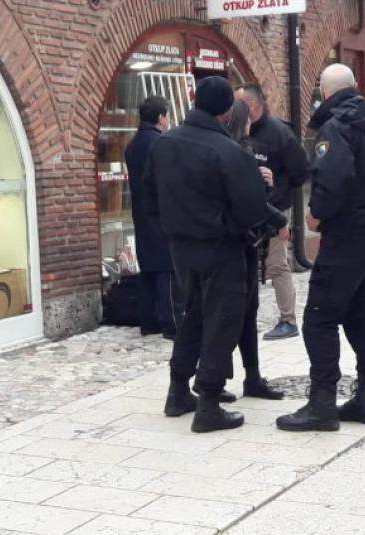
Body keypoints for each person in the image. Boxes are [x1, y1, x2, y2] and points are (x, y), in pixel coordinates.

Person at [276, 64, 365, 432]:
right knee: (363, 315)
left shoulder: (335, 127)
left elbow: (332, 180)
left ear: (324, 92)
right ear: (355, 86)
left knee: (320, 317)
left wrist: (316, 214)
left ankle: (322, 404)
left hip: (346, 235)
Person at [146, 76, 268, 433]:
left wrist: (171, 229)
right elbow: (251, 208)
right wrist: (235, 226)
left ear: (195, 100)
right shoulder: (228, 151)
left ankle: (178, 390)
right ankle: (209, 404)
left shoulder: (164, 144)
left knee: (195, 316)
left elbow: (149, 195)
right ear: (228, 109)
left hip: (180, 246)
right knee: (222, 320)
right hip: (220, 245)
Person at [223, 100, 288, 400]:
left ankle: (243, 378)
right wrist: (277, 213)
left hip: (235, 242)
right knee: (238, 313)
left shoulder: (228, 150)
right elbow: (252, 204)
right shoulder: (242, 152)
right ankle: (231, 380)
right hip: (240, 243)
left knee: (239, 312)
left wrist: (267, 185)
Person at [234, 83, 309, 341]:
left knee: (277, 264)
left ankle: (288, 320)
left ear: (252, 106)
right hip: (247, 209)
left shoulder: (279, 133)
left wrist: (278, 189)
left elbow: (301, 171)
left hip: (276, 209)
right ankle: (241, 317)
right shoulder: (238, 132)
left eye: (238, 104)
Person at [124, 96, 184, 339]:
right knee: (166, 269)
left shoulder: (132, 145)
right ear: (160, 117)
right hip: (161, 213)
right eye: (166, 115)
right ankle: (172, 323)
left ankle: (148, 322)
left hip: (140, 212)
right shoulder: (161, 143)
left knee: (147, 268)